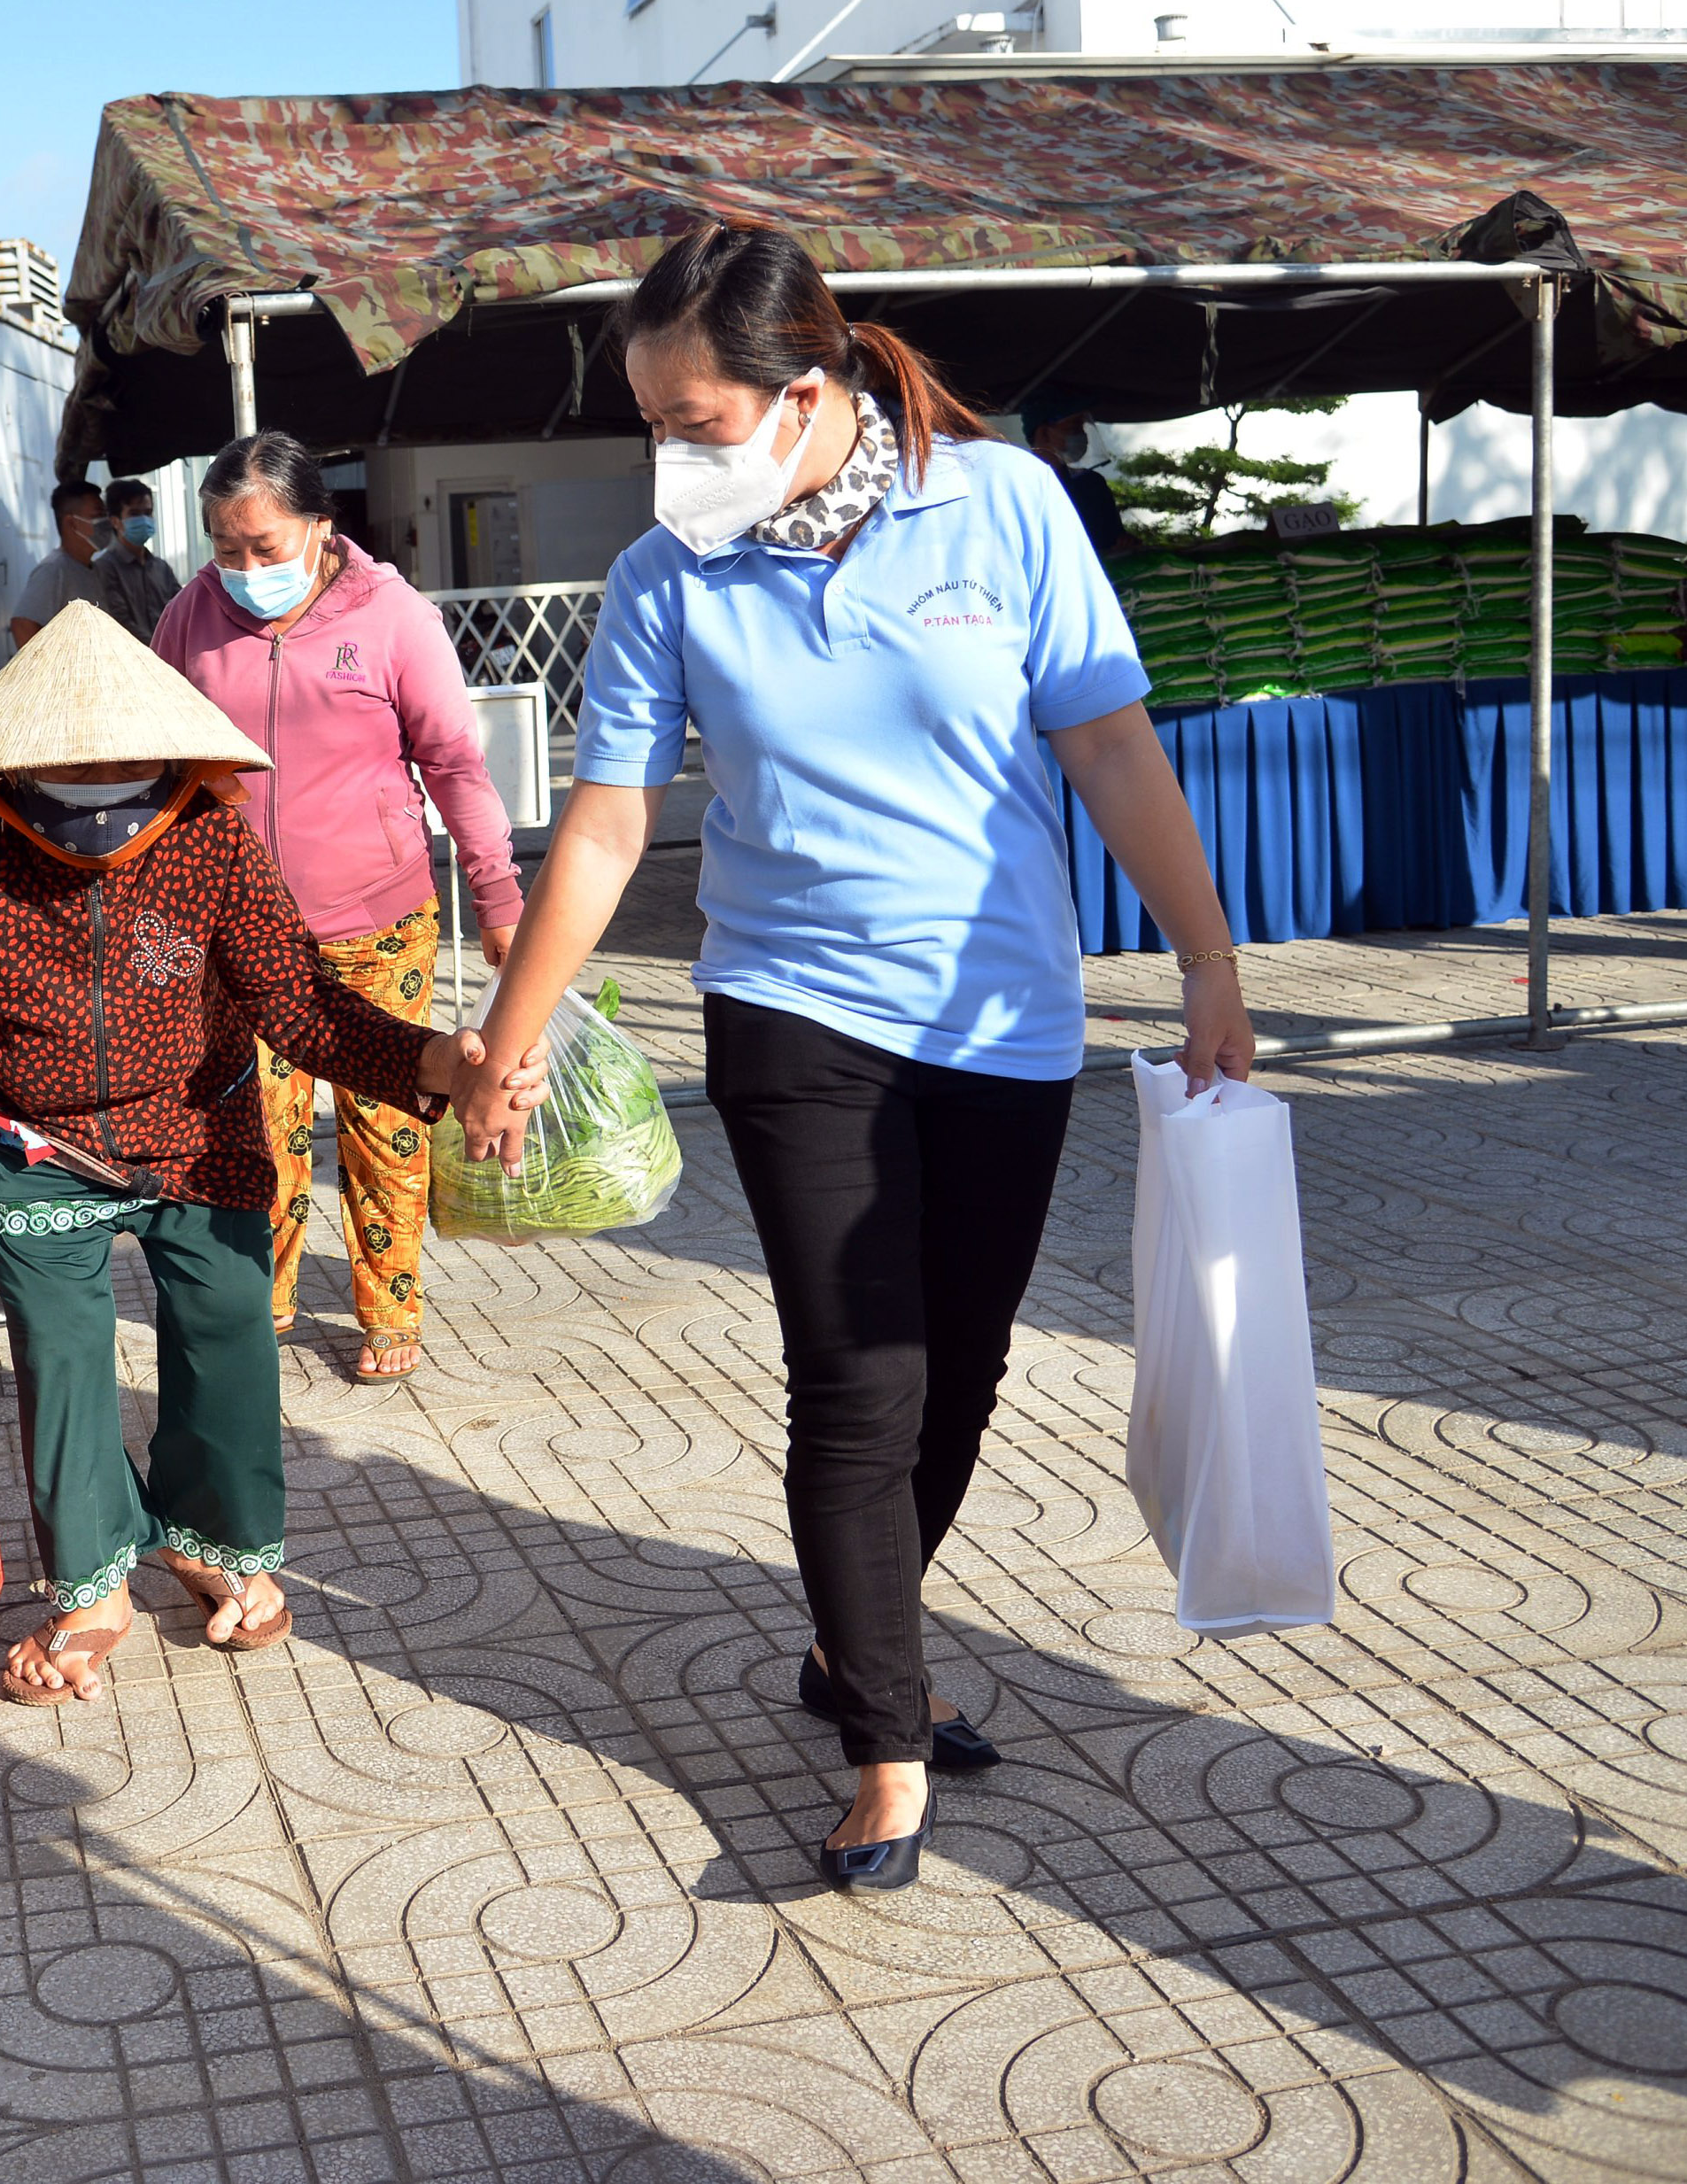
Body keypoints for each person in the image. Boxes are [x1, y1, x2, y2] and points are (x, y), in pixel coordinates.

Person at [450, 221, 1253, 1895]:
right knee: (859, 1378)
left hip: (1002, 1017)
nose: (664, 453)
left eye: (690, 421)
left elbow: (1106, 741)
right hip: (790, 1012)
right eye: (648, 420)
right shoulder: (668, 575)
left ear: (800, 390)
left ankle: (846, 1642)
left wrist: (1207, 965)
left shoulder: (1004, 507)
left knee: (960, 1369)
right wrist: (504, 1046)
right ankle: (885, 1734)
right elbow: (604, 826)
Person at [0, 604, 544, 1702]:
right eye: (76, 764)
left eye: (133, 762)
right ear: (15, 761)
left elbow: (299, 1008)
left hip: (198, 1135)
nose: (109, 791)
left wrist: (440, 1062)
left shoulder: (209, 841)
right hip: (30, 1147)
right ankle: (93, 1584)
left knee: (227, 1338)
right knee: (62, 1360)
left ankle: (209, 1540)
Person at [152, 433, 526, 1382]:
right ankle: (262, 1305)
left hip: (377, 920)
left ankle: (391, 1307)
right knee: (253, 1129)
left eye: (265, 547)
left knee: (386, 1120)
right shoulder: (187, 620)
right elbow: (155, 764)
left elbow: (454, 761)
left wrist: (497, 893)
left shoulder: (392, 616)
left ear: (322, 528)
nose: (243, 570)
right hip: (239, 934)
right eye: (223, 547)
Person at [1025, 391, 1133, 557]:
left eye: (1083, 428)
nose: (1083, 437)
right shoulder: (1020, 488)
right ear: (1044, 434)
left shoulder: (1092, 484)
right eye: (1075, 428)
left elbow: (1116, 541)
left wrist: (1125, 545)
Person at [9, 478, 104, 646]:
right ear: (72, 523)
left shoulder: (92, 569)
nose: (106, 523)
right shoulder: (53, 570)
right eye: (98, 516)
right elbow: (23, 624)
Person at [93, 475, 181, 642]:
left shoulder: (161, 568)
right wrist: (157, 650)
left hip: (168, 660)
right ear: (115, 521)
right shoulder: (104, 568)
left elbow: (181, 611)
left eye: (147, 513)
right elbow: (118, 622)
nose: (143, 519)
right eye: (134, 513)